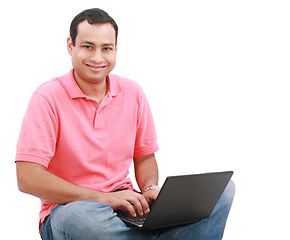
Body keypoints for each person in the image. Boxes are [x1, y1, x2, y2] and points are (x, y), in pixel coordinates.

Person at [15, 8, 235, 240]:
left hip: (127, 204)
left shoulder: (133, 92)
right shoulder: (46, 97)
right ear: (71, 46)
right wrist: (103, 198)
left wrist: (150, 189)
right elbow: (27, 177)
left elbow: (144, 156)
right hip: (70, 209)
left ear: (116, 49)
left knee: (222, 191)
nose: (97, 57)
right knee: (82, 222)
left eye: (106, 48)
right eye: (88, 46)